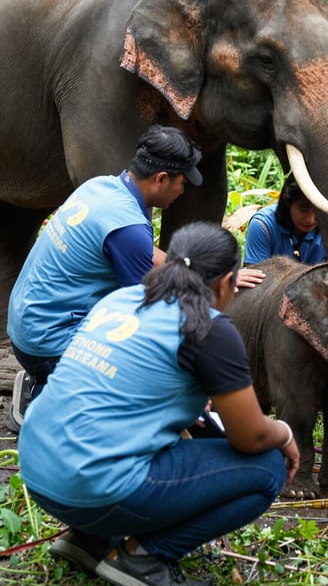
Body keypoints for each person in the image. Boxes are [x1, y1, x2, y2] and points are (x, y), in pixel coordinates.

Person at [18, 222, 299, 586]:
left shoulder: (122, 298)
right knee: (267, 468)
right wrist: (284, 433)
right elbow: (251, 438)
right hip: (91, 488)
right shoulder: (208, 326)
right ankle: (142, 558)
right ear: (226, 283)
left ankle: (89, 539)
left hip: (37, 470)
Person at [7, 124, 203, 428]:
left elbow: (145, 253)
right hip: (47, 344)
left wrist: (208, 272)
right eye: (182, 183)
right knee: (148, 372)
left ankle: (52, 381)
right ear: (162, 179)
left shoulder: (101, 188)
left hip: (26, 325)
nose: (183, 191)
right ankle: (50, 403)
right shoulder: (129, 228)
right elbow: (143, 317)